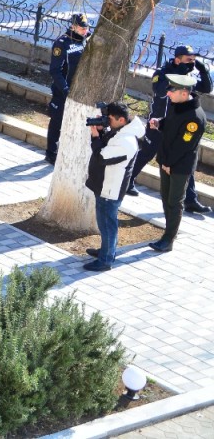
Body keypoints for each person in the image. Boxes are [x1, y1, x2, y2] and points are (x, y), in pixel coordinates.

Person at [129, 45, 213, 213]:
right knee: (147, 152)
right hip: (159, 124)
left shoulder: (186, 76)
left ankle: (190, 200)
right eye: (189, 60)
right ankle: (126, 181)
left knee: (184, 161)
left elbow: (206, 88)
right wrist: (178, 75)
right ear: (177, 59)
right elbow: (159, 91)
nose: (192, 63)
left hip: (176, 127)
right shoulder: (162, 72)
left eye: (194, 61)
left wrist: (203, 71)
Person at [149, 73, 208, 252]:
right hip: (167, 160)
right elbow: (172, 124)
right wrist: (160, 123)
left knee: (175, 201)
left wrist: (168, 164)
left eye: (171, 91)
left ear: (184, 92)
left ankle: (168, 239)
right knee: (165, 196)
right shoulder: (179, 105)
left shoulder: (195, 118)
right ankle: (168, 231)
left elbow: (184, 146)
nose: (168, 94)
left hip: (178, 165)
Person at [83, 102, 144, 272]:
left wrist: (95, 136)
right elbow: (106, 147)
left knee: (108, 226)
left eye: (109, 119)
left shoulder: (126, 141)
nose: (107, 121)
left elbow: (102, 156)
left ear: (122, 119)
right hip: (105, 185)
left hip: (110, 189)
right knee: (105, 224)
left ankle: (106, 260)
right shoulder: (120, 132)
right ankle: (106, 251)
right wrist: (101, 132)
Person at [44, 13, 90, 164]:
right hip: (63, 90)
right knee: (57, 121)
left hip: (79, 90)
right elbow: (55, 70)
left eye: (86, 28)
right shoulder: (62, 43)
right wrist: (64, 89)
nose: (85, 31)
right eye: (82, 28)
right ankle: (51, 152)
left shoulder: (87, 39)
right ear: (73, 26)